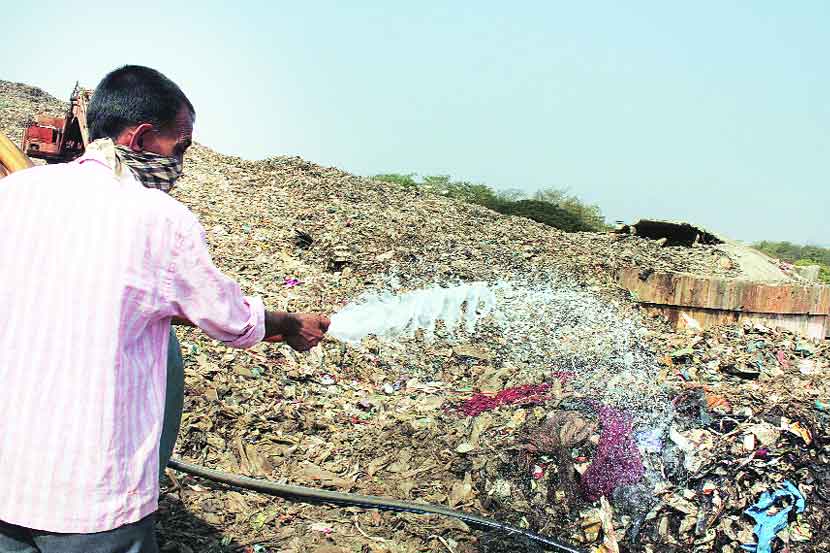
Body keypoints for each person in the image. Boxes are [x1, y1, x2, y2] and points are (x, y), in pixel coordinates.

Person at [0, 65, 330, 553]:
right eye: (181, 148)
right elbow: (229, 318)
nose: (181, 163)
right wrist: (289, 323)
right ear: (144, 137)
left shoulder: (14, 195)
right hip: (92, 498)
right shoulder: (159, 219)